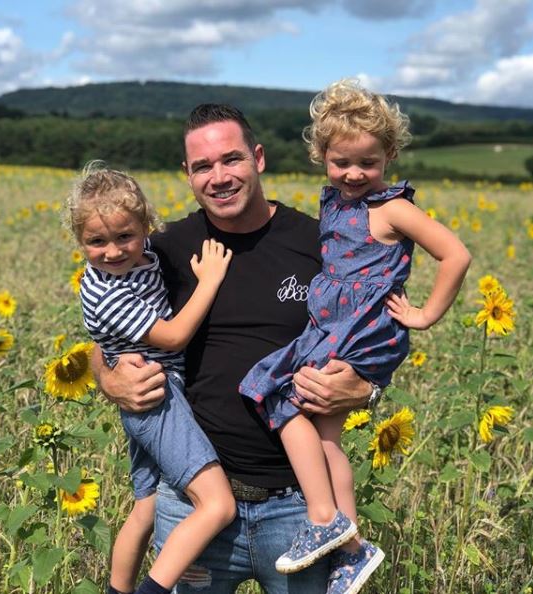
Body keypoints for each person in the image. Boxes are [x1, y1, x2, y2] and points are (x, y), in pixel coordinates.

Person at [93, 103, 377, 594]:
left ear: (258, 158)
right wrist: (108, 377)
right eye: (203, 166)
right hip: (192, 502)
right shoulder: (162, 251)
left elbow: (374, 333)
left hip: (301, 510)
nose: (218, 177)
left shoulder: (318, 244)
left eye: (231, 159)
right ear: (187, 174)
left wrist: (367, 390)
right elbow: (107, 335)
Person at [239, 79, 472, 593]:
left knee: (276, 393)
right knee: (326, 437)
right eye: (341, 161)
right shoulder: (337, 202)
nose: (353, 173)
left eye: (368, 162)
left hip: (359, 329)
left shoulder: (392, 208)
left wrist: (426, 315)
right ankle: (349, 548)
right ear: (321, 154)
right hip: (333, 325)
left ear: (389, 155)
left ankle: (326, 520)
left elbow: (456, 254)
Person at [65, 162, 236, 594]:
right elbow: (175, 337)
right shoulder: (107, 291)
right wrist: (210, 281)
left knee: (148, 507)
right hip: (156, 396)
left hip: (151, 396)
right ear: (79, 241)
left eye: (124, 236)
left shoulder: (148, 258)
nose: (113, 251)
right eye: (96, 242)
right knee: (217, 505)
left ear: (146, 227)